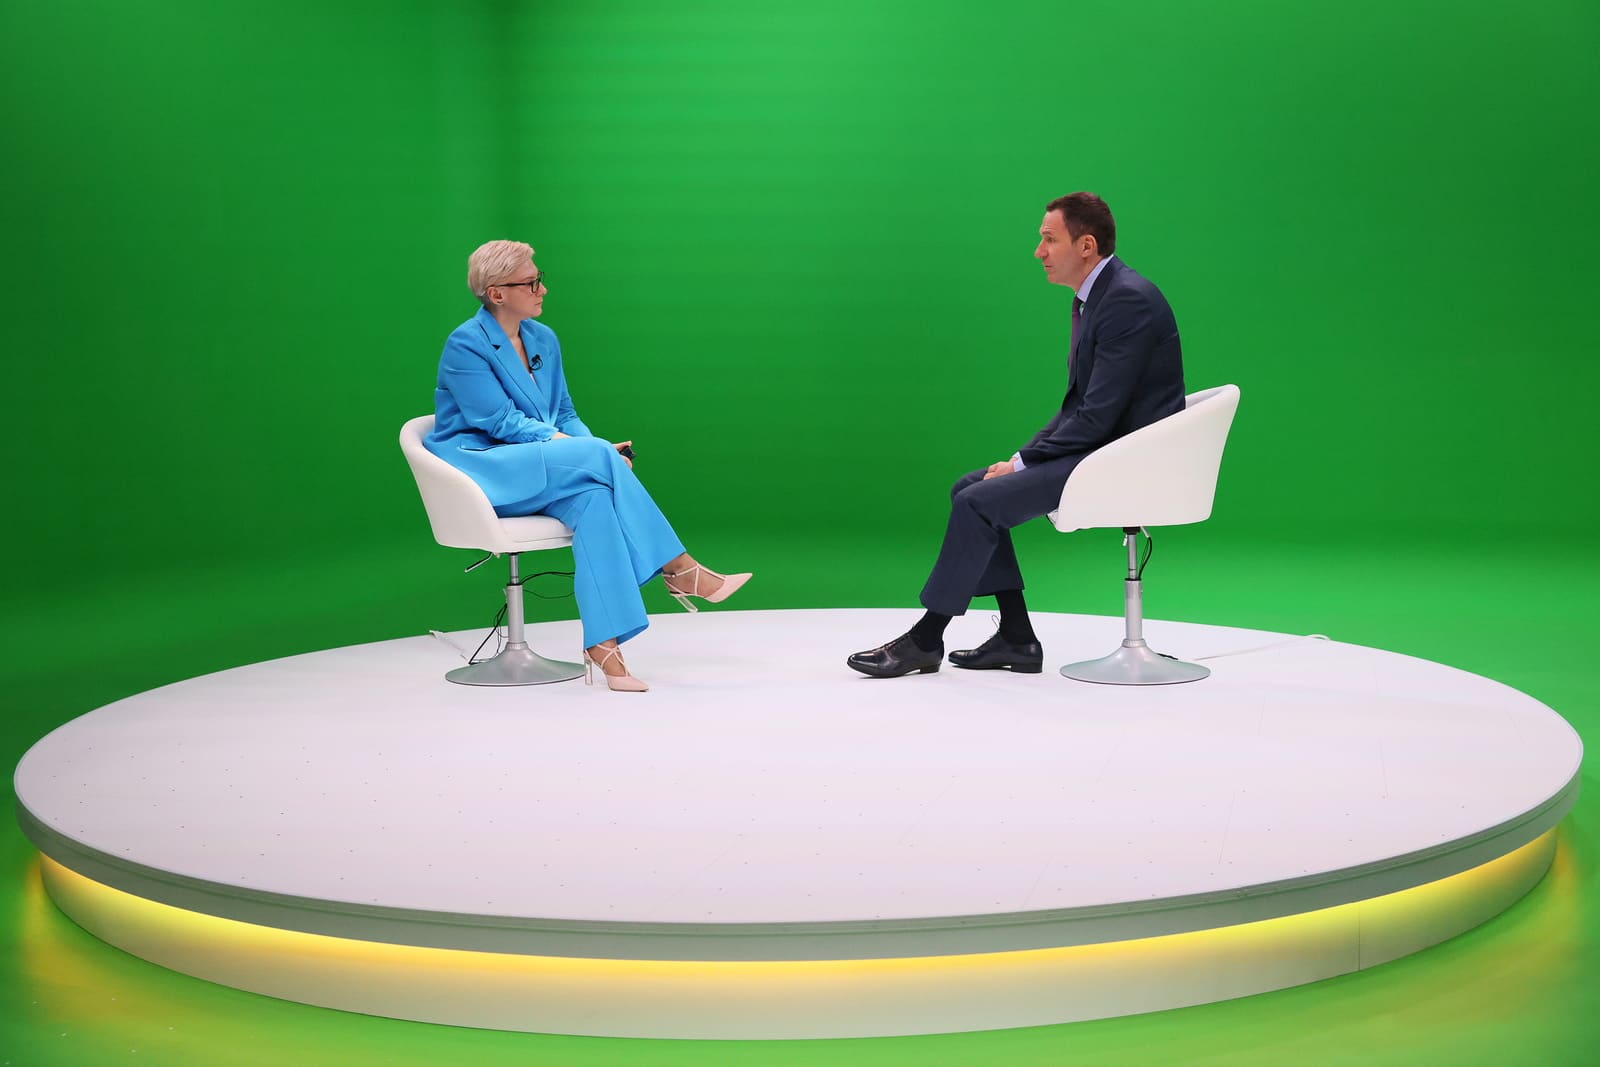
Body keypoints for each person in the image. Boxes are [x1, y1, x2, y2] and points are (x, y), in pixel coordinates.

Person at [847, 193, 1185, 678]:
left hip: (1123, 461)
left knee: (977, 502)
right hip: (1104, 450)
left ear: (1086, 245)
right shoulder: (1099, 297)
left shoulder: (1126, 300)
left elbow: (1096, 418)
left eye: (1049, 239)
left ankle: (925, 639)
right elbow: (1076, 408)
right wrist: (1019, 459)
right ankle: (1017, 637)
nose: (1038, 251)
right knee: (970, 488)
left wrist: (1024, 464)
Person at [426, 240, 750, 692]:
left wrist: (584, 448)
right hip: (487, 470)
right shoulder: (466, 344)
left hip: (543, 466)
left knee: (595, 498)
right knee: (599, 455)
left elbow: (564, 412)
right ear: (497, 293)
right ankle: (679, 568)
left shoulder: (543, 338)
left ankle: (604, 646)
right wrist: (585, 451)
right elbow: (497, 421)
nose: (542, 289)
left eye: (539, 279)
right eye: (531, 282)